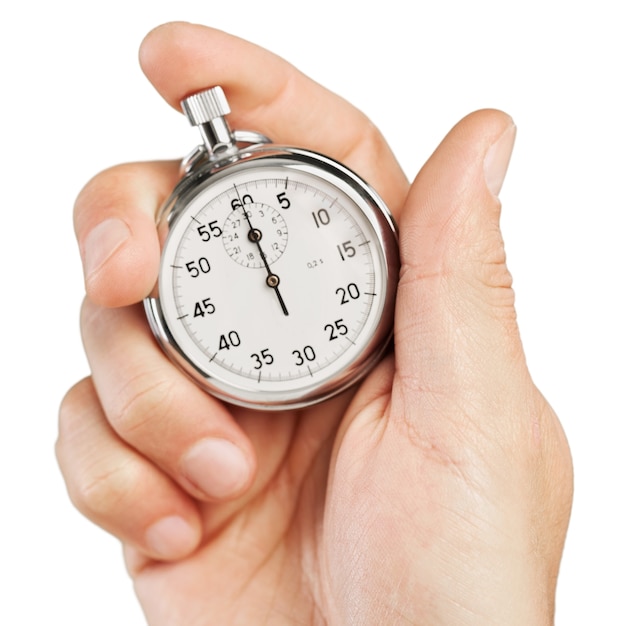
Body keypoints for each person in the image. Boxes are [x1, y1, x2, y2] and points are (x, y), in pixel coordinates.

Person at [56, 21, 573, 625]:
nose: (271, 277)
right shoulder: (184, 250)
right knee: (121, 283)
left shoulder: (330, 212)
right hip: (256, 484)